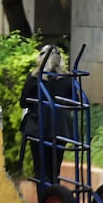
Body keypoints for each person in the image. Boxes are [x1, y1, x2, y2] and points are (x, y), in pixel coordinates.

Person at [19, 45, 73, 186]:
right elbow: (75, 101)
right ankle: (55, 201)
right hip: (60, 129)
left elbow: (23, 103)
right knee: (55, 171)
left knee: (41, 173)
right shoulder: (66, 79)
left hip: (39, 129)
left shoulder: (34, 78)